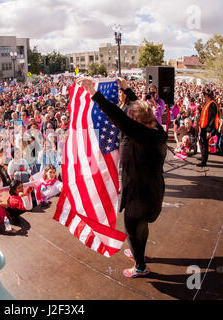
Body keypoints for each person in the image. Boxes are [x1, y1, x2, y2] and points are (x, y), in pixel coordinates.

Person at [77, 78, 167, 278]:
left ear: (136, 121)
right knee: (140, 228)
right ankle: (137, 252)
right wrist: (127, 89)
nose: (128, 112)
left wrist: (93, 92)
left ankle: (140, 266)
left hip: (140, 196)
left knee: (133, 228)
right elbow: (139, 110)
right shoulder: (156, 129)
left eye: (131, 115)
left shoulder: (142, 135)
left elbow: (118, 116)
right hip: (150, 191)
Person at [197, 87, 220, 167]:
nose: (203, 97)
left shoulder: (212, 104)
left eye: (204, 95)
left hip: (207, 128)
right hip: (203, 127)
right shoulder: (207, 103)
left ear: (207, 95)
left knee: (205, 144)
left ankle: (204, 161)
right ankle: (203, 156)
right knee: (202, 142)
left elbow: (212, 118)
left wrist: (209, 131)